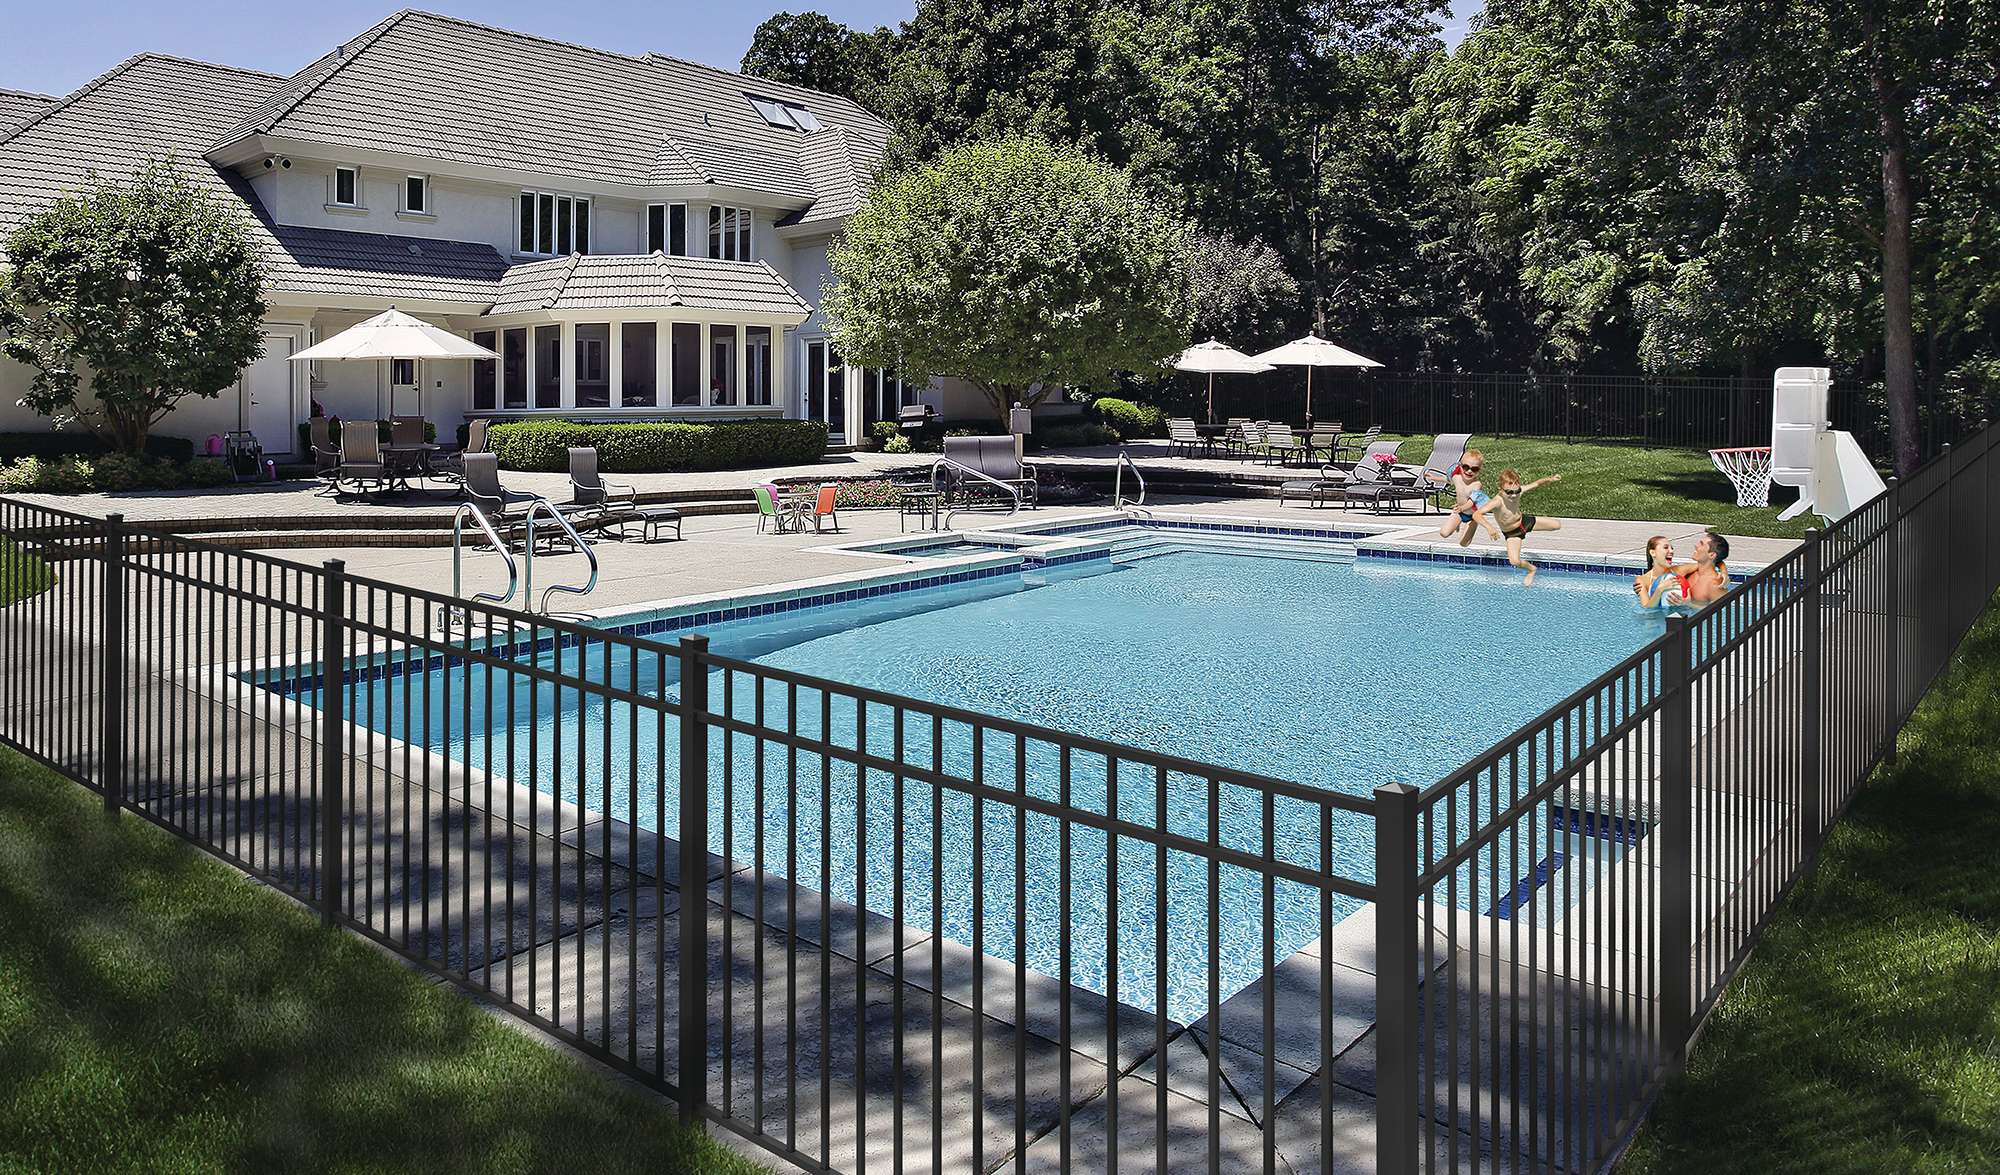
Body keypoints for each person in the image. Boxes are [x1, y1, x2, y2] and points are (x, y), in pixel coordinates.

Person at [1473, 469, 1563, 584]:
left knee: (1557, 525)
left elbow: (1537, 483)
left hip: (1524, 522)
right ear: (1500, 490)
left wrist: (1551, 479)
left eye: (1516, 491)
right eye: (1509, 492)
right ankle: (1532, 569)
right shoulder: (1497, 501)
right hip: (1513, 533)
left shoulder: (1517, 492)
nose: (1513, 495)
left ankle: (1539, 523)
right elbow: (1477, 514)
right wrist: (1488, 526)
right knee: (1514, 561)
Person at [1436, 448, 1501, 546]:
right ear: (1460, 466)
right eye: (1466, 467)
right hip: (1459, 512)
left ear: (1479, 471)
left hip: (1472, 516)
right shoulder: (1456, 478)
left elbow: (1471, 503)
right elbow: (1448, 479)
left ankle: (1474, 523)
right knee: (1443, 533)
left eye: (1474, 469)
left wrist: (1461, 508)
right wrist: (1434, 478)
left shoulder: (1476, 485)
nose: (1469, 471)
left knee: (1464, 544)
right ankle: (1457, 523)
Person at [1634, 535, 1679, 606]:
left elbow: (1701, 566)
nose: (1671, 551)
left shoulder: (1679, 570)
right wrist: (1660, 589)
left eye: (1672, 548)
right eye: (1666, 547)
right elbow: (1647, 609)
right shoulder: (1642, 580)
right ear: (1653, 553)